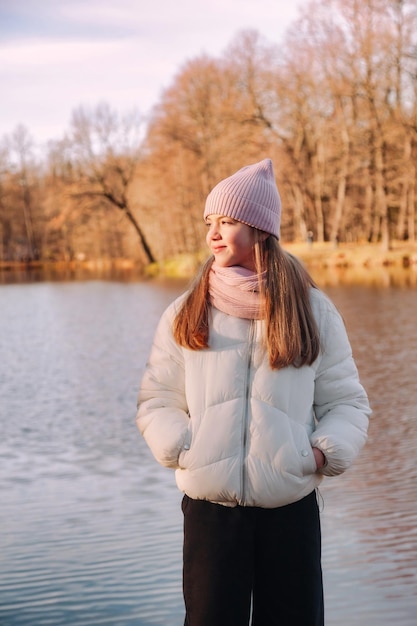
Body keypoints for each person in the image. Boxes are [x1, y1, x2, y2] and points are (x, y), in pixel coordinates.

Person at [136, 159, 371, 626]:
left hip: (290, 511)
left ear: (260, 227)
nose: (214, 234)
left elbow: (346, 403)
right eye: (209, 222)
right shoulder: (187, 311)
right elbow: (158, 399)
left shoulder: (312, 310)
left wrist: (320, 455)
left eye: (227, 221)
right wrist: (183, 446)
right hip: (210, 514)